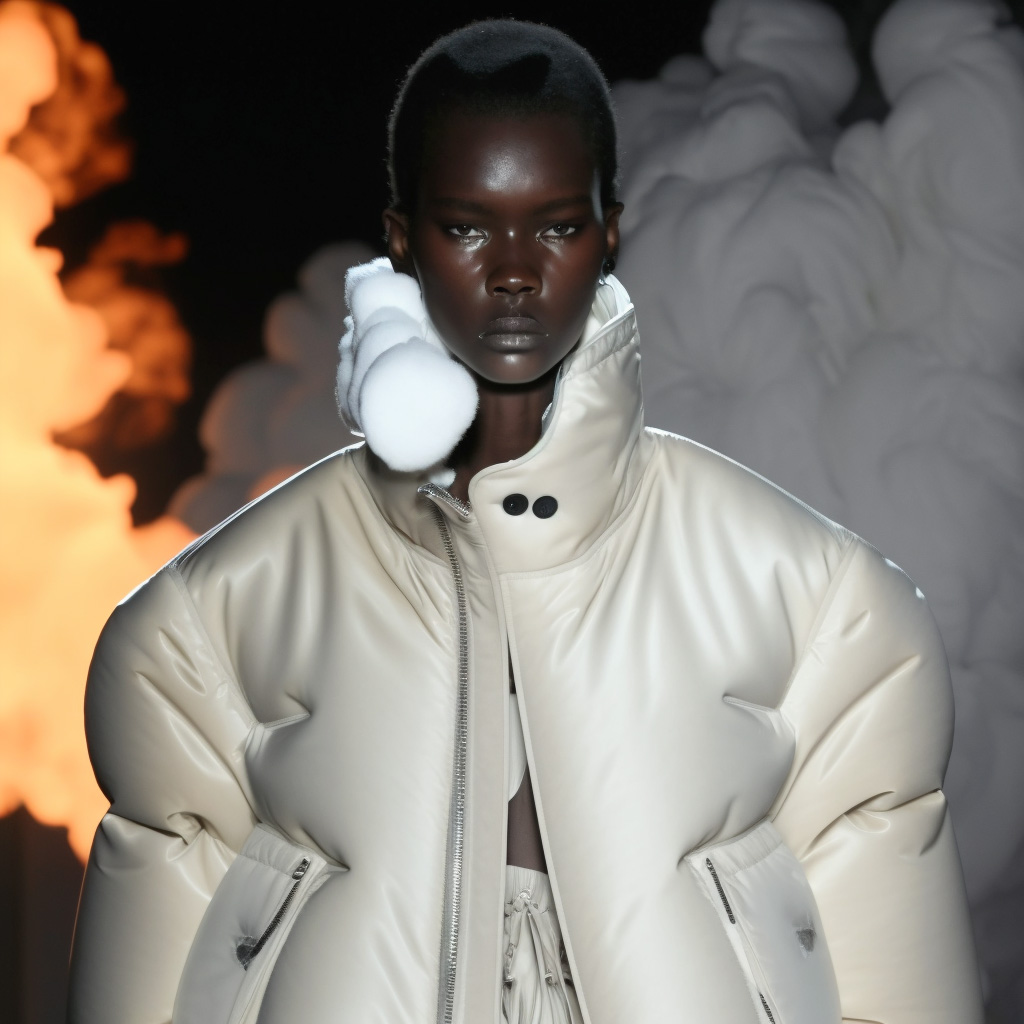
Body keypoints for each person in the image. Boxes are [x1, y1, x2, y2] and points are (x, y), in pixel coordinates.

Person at [67, 19, 983, 1024]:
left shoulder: (815, 604)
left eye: (555, 227)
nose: (513, 271)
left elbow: (891, 973)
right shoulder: (212, 622)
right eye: (468, 227)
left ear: (608, 233)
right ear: (402, 237)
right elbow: (153, 962)